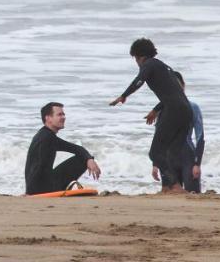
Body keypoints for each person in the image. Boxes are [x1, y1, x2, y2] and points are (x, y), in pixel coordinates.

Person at [109, 37, 192, 193]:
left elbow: (139, 80)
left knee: (155, 152)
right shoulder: (164, 66)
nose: (136, 62)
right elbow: (175, 94)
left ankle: (174, 185)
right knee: (170, 151)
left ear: (139, 56)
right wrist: (156, 110)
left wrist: (124, 95)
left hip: (174, 110)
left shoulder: (149, 64)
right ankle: (167, 188)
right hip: (185, 110)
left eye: (135, 58)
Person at [24, 102, 101, 195]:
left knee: (83, 156)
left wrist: (89, 159)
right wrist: (30, 193)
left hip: (37, 187)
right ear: (48, 118)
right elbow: (37, 167)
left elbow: (77, 148)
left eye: (63, 114)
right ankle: (58, 190)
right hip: (40, 189)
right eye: (59, 114)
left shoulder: (45, 135)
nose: (63, 117)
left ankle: (59, 189)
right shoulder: (47, 137)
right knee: (81, 159)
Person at [146, 71, 205, 193]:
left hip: (187, 157)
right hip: (168, 160)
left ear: (183, 86)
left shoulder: (193, 107)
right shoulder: (163, 109)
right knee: (170, 195)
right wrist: (155, 164)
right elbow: (158, 138)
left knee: (193, 194)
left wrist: (197, 164)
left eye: (178, 85)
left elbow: (200, 137)